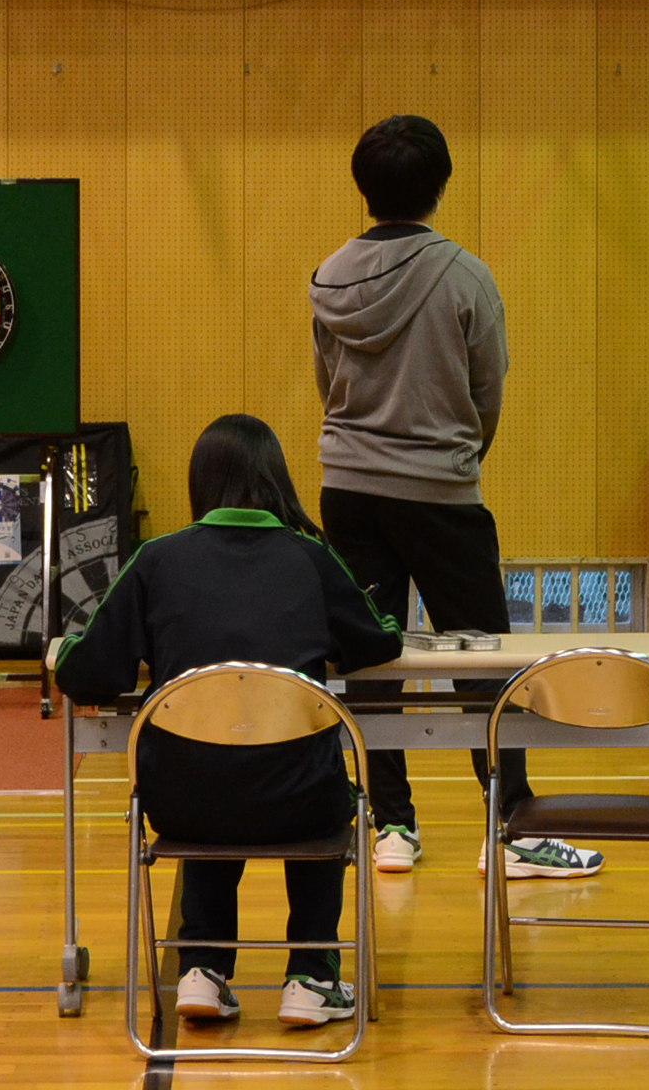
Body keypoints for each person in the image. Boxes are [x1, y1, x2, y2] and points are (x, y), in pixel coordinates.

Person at [310, 114, 602, 882]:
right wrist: (454, 458)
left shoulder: (328, 275)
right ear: (441, 187)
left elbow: (327, 387)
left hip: (346, 488)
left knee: (371, 660)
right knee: (486, 658)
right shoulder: (466, 276)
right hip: (440, 491)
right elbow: (487, 392)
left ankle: (392, 828)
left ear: (363, 189)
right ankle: (511, 826)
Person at [52, 415, 403, 1028]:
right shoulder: (312, 558)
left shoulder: (155, 560)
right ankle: (312, 975)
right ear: (277, 479)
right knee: (310, 783)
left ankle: (202, 969)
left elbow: (84, 674)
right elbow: (381, 641)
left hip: (181, 803)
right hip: (300, 799)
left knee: (209, 769)